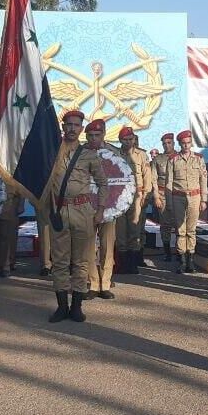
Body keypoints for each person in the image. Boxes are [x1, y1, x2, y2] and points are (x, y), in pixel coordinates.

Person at [44, 110, 107, 322]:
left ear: (81, 129)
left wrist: (100, 210)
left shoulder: (89, 154)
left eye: (76, 125)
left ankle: (77, 307)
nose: (71, 128)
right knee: (60, 262)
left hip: (83, 212)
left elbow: (102, 183)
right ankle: (62, 307)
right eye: (68, 124)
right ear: (63, 127)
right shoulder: (52, 151)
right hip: (59, 211)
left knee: (81, 261)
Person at [158, 131, 207, 274]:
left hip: (195, 197)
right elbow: (169, 183)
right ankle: (181, 260)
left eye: (188, 143)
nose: (186, 145)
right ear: (179, 144)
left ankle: (190, 261)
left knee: (191, 229)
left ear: (191, 143)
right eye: (183, 143)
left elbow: (203, 180)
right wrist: (169, 201)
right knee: (180, 229)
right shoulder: (173, 159)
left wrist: (204, 199)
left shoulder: (198, 159)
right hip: (178, 197)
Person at [82, 119, 119, 300]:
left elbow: (123, 180)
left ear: (104, 134)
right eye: (90, 135)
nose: (94, 138)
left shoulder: (114, 153)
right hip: (87, 206)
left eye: (97, 135)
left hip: (110, 207)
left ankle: (105, 283)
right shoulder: (81, 153)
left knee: (107, 246)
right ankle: (93, 283)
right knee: (89, 246)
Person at [117, 126, 154, 275]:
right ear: (120, 140)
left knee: (134, 230)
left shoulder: (141, 155)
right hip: (119, 197)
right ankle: (122, 264)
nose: (128, 142)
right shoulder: (115, 154)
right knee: (120, 232)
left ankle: (133, 265)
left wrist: (146, 195)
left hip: (136, 196)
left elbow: (147, 177)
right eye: (125, 140)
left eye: (130, 139)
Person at [0, 179, 22, 279]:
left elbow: (20, 187)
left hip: (8, 205)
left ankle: (5, 267)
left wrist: (21, 204)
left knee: (6, 239)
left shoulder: (10, 167)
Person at [151, 133, 177, 261]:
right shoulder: (158, 160)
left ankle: (181, 253)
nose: (167, 145)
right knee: (165, 224)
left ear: (173, 143)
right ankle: (167, 253)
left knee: (179, 224)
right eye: (164, 143)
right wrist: (156, 196)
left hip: (177, 195)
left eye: (169, 143)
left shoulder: (180, 157)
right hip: (162, 194)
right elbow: (153, 180)